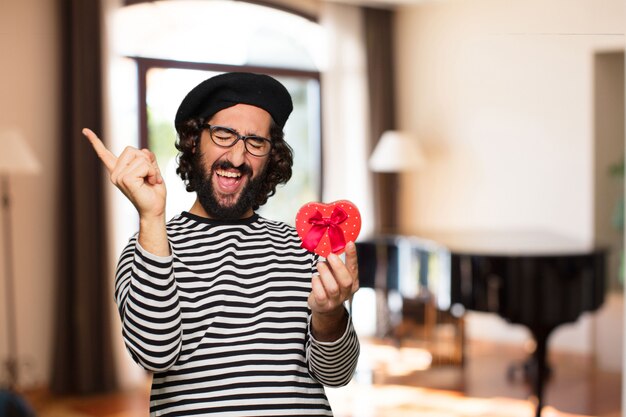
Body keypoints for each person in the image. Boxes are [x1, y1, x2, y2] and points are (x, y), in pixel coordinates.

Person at [83, 72, 360, 416]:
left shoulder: (302, 248)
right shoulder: (149, 248)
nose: (238, 158)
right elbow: (154, 353)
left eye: (255, 142)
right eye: (224, 134)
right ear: (195, 141)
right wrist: (152, 217)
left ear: (270, 157)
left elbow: (337, 374)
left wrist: (330, 313)